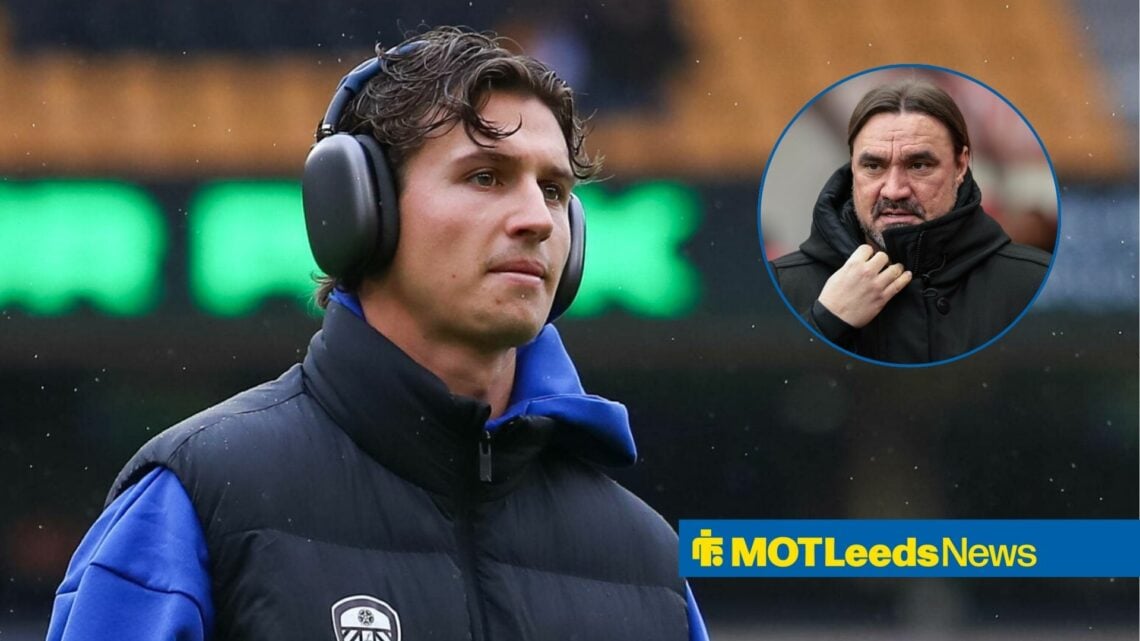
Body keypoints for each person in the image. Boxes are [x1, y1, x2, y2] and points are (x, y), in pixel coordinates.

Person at [47, 27, 708, 641]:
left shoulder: (646, 561)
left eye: (556, 190)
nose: (538, 219)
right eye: (486, 176)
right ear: (359, 209)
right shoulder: (197, 499)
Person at [770, 79, 1052, 364]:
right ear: (852, 166)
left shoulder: (1029, 283)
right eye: (873, 165)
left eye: (919, 165)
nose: (893, 190)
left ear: (961, 165)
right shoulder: (786, 282)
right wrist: (827, 320)